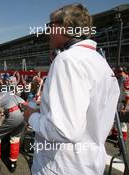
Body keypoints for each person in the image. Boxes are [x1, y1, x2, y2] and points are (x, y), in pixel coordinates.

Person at [23, 4, 120, 174]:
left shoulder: (67, 60)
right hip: (89, 165)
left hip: (60, 166)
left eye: (50, 26)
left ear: (66, 27)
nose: (47, 32)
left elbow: (64, 129)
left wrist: (32, 117)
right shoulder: (101, 63)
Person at [0, 92, 26, 173]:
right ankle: (13, 164)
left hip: (13, 113)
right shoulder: (7, 94)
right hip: (26, 111)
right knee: (15, 138)